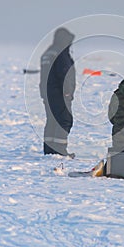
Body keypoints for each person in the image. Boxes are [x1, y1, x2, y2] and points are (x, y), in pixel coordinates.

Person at [39, 27, 76, 157]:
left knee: (52, 120)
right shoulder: (61, 53)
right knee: (64, 120)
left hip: (47, 93)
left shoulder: (48, 52)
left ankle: (50, 150)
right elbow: (64, 73)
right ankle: (60, 150)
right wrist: (67, 92)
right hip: (60, 93)